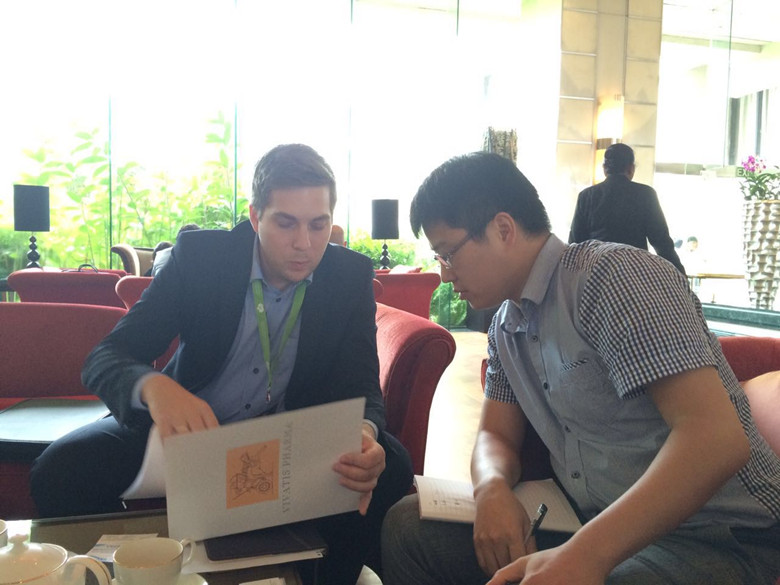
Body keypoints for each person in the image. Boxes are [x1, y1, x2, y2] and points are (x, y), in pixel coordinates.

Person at [381, 151, 780, 585]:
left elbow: (716, 439)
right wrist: (491, 488)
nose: (444, 275)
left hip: (720, 535)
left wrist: (585, 556)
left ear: (502, 229)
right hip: (590, 523)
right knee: (409, 527)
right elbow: (496, 434)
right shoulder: (506, 328)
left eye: (447, 254)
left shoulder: (613, 278)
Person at [30, 143, 413, 585]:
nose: (304, 244)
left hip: (286, 439)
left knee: (390, 466)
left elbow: (364, 388)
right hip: (188, 434)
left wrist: (364, 433)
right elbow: (106, 356)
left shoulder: (348, 277)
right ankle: (134, 570)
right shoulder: (202, 259)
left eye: (318, 224)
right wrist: (156, 389)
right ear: (255, 217)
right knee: (58, 472)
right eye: (285, 223)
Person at [569, 143, 685, 274]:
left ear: (604, 169)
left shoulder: (586, 196)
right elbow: (661, 241)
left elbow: (575, 243)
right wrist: (680, 275)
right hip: (633, 272)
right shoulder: (645, 194)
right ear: (631, 168)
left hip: (597, 272)